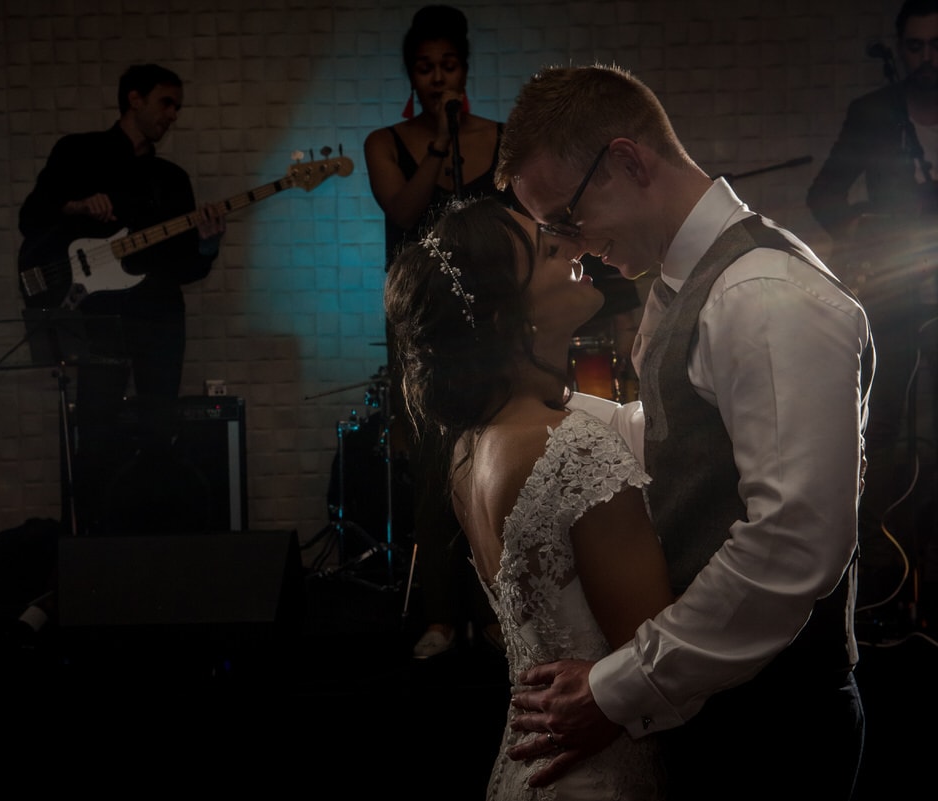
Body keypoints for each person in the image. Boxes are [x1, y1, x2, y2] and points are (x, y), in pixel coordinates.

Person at [495, 65, 872, 800]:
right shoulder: (687, 282)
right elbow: (674, 444)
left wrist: (617, 685)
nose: (571, 247)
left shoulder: (763, 296)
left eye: (568, 220)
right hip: (723, 704)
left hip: (775, 723)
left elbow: (791, 544)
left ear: (629, 162)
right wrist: (541, 415)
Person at [384, 197, 673, 798]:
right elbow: (658, 651)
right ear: (504, 319)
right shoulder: (568, 451)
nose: (570, 249)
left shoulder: (473, 444)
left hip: (529, 766)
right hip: (602, 770)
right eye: (547, 251)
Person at [18, 63, 225, 535]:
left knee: (159, 431)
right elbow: (32, 216)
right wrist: (76, 205)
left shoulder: (172, 178)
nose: (173, 115)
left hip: (160, 318)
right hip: (98, 318)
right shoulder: (78, 152)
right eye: (165, 102)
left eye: (177, 106)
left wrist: (208, 244)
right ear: (134, 98)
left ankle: (153, 542)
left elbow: (186, 267)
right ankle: (92, 542)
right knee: (96, 430)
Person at [364, 4, 507, 658]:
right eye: (425, 68)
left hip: (495, 323)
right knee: (431, 470)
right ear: (412, 76)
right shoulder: (385, 143)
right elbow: (403, 208)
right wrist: (441, 146)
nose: (438, 78)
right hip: (421, 326)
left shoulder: (505, 139)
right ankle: (442, 617)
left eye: (448, 65)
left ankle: (496, 609)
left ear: (465, 67)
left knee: (497, 461)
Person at [807, 0, 938, 605]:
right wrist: (863, 228)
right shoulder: (875, 113)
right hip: (902, 296)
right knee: (884, 435)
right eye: (914, 46)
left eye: (937, 44)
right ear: (899, 48)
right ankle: (884, 584)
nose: (926, 58)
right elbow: (825, 194)